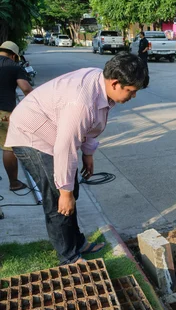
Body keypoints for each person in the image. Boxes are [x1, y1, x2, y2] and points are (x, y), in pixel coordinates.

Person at [6, 52, 148, 266]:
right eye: (131, 91)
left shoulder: (102, 86)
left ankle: (77, 243)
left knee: (72, 192)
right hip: (31, 134)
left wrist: (88, 155)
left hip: (53, 132)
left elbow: (90, 128)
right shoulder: (81, 102)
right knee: (57, 200)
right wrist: (64, 190)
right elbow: (66, 146)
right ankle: (69, 258)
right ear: (115, 83)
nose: (133, 96)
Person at [0, 41, 32, 191]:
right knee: (8, 147)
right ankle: (14, 183)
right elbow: (25, 88)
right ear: (13, 55)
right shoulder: (14, 66)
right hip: (4, 112)